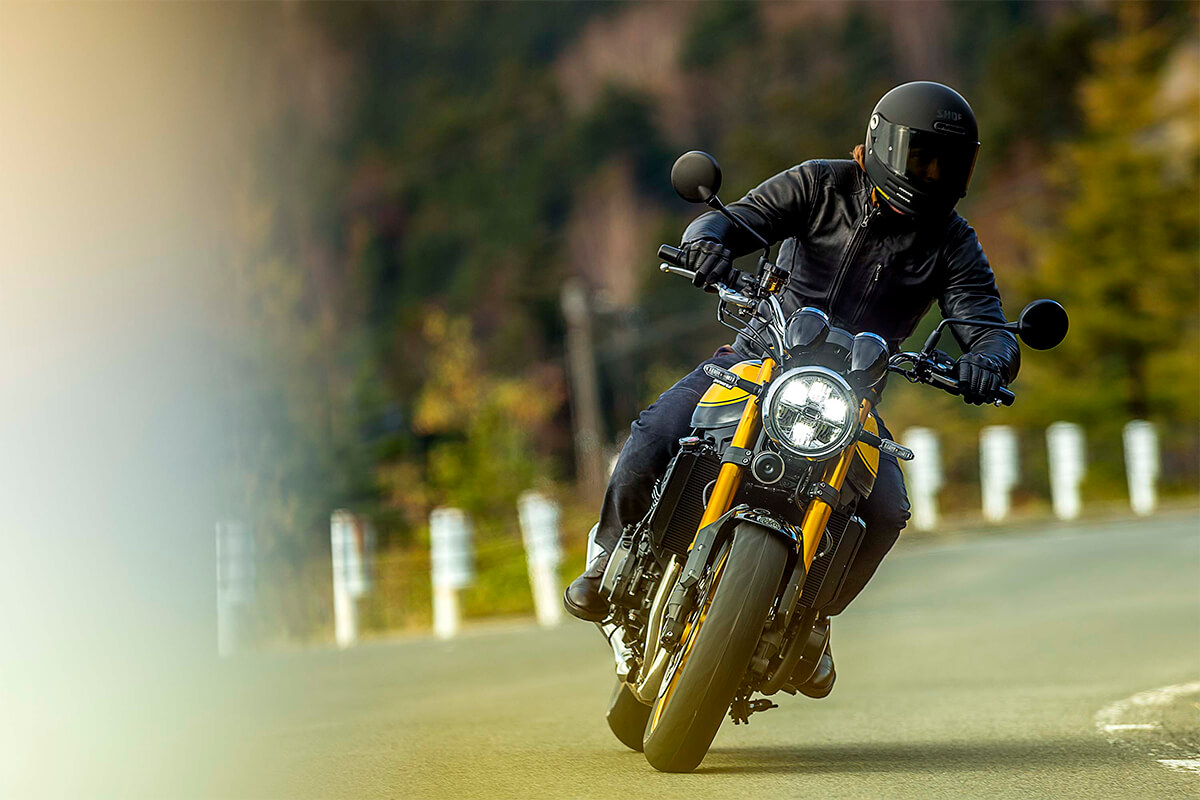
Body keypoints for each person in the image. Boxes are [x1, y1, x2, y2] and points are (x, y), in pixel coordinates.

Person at [563, 81, 1020, 697]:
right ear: (886, 146)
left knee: (886, 511)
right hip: (760, 359)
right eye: (922, 158)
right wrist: (707, 247)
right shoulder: (819, 185)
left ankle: (812, 619)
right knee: (654, 434)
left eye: (949, 163)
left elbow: (984, 321)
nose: (933, 174)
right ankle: (608, 556)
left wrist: (989, 360)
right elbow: (736, 221)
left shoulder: (953, 242)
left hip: (852, 398)